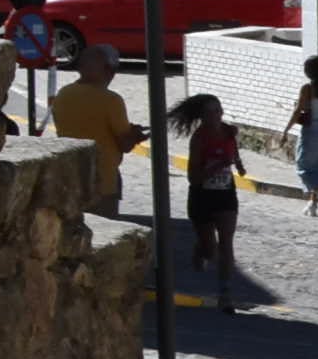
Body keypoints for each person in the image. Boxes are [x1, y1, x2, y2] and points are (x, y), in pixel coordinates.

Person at [49, 46, 147, 216]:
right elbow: (124, 144)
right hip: (103, 180)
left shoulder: (63, 94)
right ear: (109, 70)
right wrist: (136, 135)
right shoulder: (111, 100)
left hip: (71, 175)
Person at [169, 92, 244, 312]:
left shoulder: (229, 132)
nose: (216, 115)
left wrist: (237, 165)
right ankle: (200, 249)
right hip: (202, 195)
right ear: (202, 116)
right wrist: (217, 166)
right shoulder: (199, 139)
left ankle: (225, 294)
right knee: (209, 248)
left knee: (227, 242)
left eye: (218, 110)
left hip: (226, 194)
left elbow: (233, 151)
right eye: (211, 112)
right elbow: (193, 178)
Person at [285, 53, 318, 216]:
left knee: (304, 166)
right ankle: (316, 202)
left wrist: (286, 130)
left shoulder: (308, 88)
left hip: (312, 129)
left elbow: (298, 110)